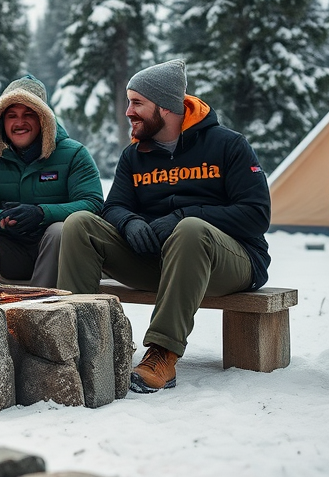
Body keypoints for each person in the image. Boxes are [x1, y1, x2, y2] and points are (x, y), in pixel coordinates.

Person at [57, 59, 271, 393]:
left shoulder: (228, 145)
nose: (128, 111)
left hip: (230, 263)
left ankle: (162, 354)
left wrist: (183, 215)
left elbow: (257, 215)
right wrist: (128, 222)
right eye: (129, 102)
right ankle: (77, 346)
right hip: (158, 259)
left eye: (137, 103)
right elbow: (114, 206)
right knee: (80, 224)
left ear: (166, 108)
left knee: (190, 230)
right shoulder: (134, 155)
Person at [0, 74, 103, 287]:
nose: (20, 123)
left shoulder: (74, 154)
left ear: (43, 119)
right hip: (11, 250)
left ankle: (41, 308)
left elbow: (92, 204)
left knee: (59, 231)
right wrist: (1, 219)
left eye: (29, 114)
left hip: (58, 255)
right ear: (1, 121)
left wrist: (41, 213)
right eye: (12, 115)